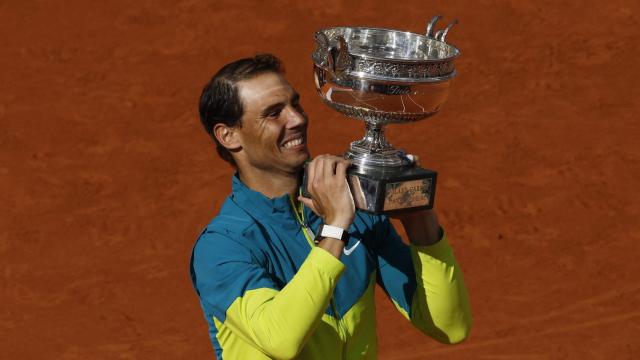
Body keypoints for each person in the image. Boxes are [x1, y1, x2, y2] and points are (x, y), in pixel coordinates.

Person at [190, 54, 472, 360]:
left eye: (294, 104)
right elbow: (280, 339)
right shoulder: (223, 245)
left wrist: (420, 220)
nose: (297, 119)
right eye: (274, 113)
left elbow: (450, 326)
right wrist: (335, 229)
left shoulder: (354, 204)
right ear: (229, 135)